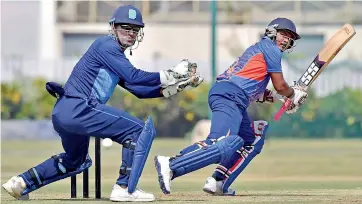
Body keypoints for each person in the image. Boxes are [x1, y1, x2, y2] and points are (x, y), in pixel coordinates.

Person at [2, 5, 203, 202]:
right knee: (140, 131)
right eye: (125, 28)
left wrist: (171, 88)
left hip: (65, 112)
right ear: (113, 27)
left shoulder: (114, 55)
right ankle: (124, 188)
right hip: (80, 108)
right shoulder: (106, 45)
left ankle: (21, 183)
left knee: (76, 161)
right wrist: (170, 74)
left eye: (135, 29)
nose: (131, 33)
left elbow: (138, 90)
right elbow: (133, 76)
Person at [154, 17, 308, 196]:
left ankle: (218, 181)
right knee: (220, 142)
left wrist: (283, 99)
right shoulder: (271, 49)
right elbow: (281, 85)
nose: (286, 40)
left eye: (290, 38)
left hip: (232, 96)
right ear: (272, 32)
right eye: (284, 34)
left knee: (252, 139)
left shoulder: (260, 50)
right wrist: (292, 94)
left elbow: (255, 88)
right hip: (230, 96)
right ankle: (171, 164)